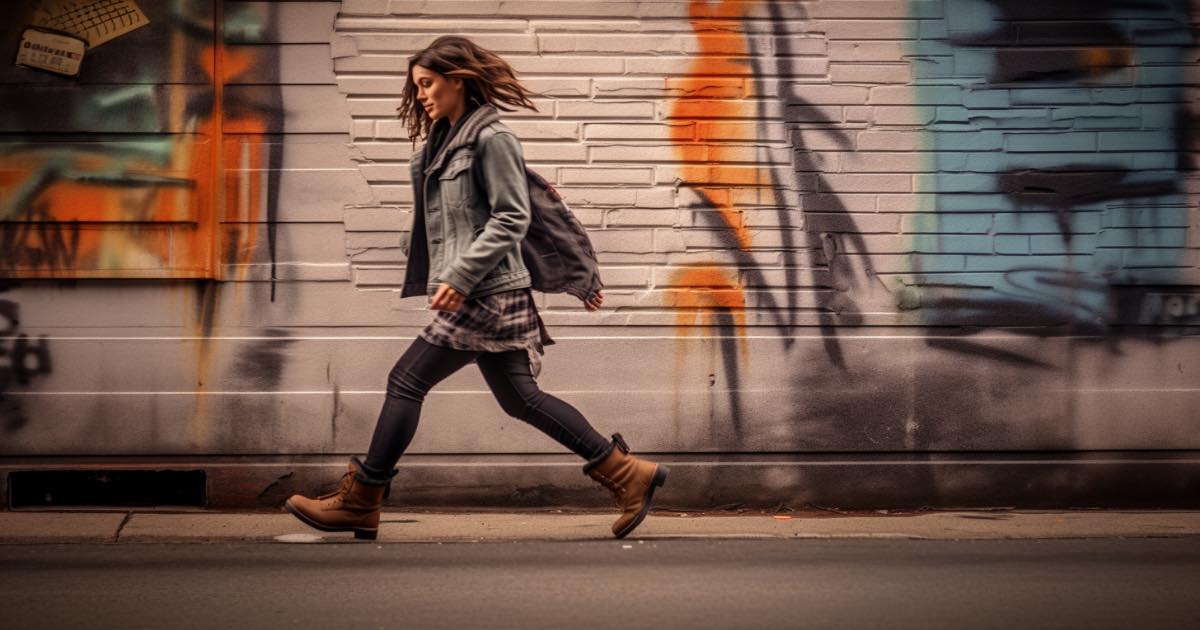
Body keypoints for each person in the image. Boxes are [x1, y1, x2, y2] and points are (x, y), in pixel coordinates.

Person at [284, 35, 668, 540]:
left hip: (484, 291)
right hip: (482, 290)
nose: (420, 95)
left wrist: (460, 275)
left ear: (457, 79)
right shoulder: (445, 141)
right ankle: (626, 472)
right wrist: (421, 244)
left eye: (428, 84)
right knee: (520, 398)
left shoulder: (492, 139)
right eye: (416, 86)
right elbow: (452, 217)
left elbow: (512, 217)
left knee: (406, 381)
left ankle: (363, 498)